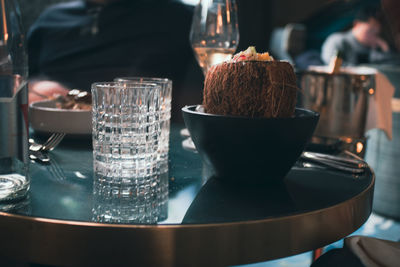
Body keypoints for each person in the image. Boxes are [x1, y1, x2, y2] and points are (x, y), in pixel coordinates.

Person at [27, 0, 203, 121]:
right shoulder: (51, 19)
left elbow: (202, 98)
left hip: (136, 139)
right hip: (46, 132)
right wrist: (36, 88)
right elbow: (17, 81)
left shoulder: (180, 19)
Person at [320, 5, 390, 65]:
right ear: (357, 24)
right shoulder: (338, 41)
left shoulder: (375, 48)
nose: (373, 35)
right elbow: (330, 63)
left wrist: (385, 48)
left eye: (376, 33)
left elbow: (388, 66)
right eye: (370, 30)